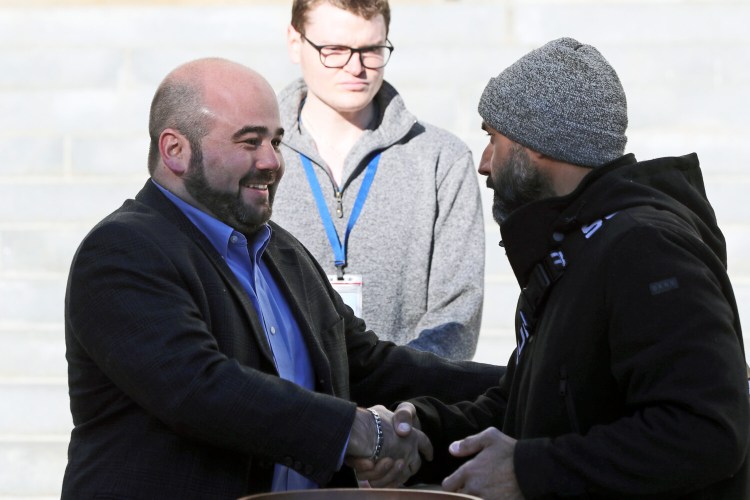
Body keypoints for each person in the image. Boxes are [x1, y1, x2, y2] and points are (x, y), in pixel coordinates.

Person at [61, 57, 504, 498]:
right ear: (175, 150)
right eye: (249, 142)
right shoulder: (123, 250)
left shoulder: (281, 251)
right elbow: (200, 389)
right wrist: (356, 430)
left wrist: (526, 382)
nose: (272, 161)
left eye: (275, 141)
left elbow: (367, 365)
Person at [357, 37, 750, 498]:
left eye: (493, 139)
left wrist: (529, 470)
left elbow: (706, 432)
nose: (484, 164)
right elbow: (523, 411)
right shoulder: (573, 249)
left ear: (539, 144)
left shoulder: (644, 248)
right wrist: (423, 428)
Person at [271, 0, 485, 360]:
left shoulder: (441, 159)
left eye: (371, 49)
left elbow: (456, 313)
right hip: (281, 406)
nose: (356, 67)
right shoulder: (256, 156)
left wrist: (404, 398)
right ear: (295, 41)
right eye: (334, 50)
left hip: (404, 409)